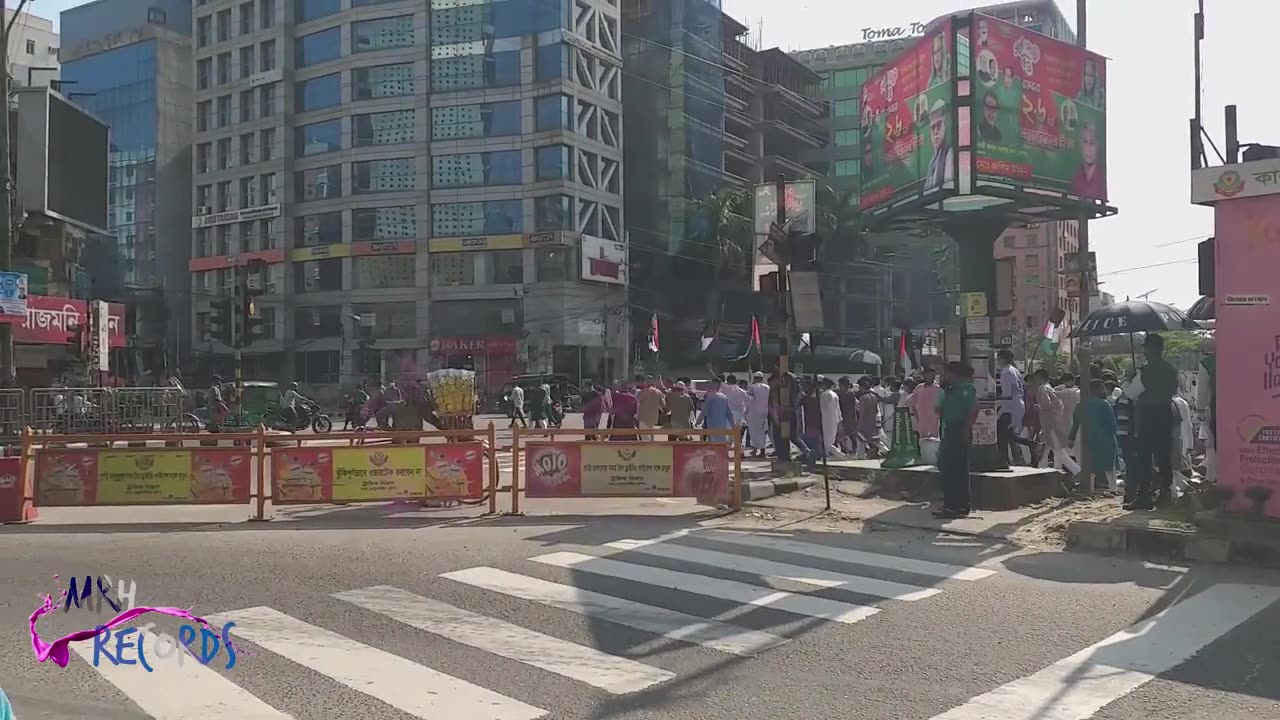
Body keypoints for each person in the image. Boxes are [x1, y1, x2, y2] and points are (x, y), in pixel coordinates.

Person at [1126, 333, 1179, 510]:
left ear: (1150, 349)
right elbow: (1173, 390)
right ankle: (1165, 495)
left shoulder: (1145, 371)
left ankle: (1144, 497)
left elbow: (1131, 394)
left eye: (1145, 348)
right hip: (1166, 412)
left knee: (1144, 457)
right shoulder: (1171, 369)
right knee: (1164, 456)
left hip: (1148, 415)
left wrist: (1130, 379)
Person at [935, 362, 977, 518]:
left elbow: (973, 410)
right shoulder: (950, 391)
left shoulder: (966, 388)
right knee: (949, 467)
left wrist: (966, 431)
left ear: (953, 374)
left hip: (959, 429)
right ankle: (954, 505)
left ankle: (955, 506)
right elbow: (939, 410)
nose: (944, 377)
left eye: (946, 374)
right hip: (950, 428)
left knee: (955, 469)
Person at [1069, 379, 1119, 496]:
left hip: (1087, 439)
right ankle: (1113, 489)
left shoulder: (1080, 405)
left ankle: (1089, 489)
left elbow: (1075, 425)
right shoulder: (1105, 404)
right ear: (1097, 389)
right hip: (1106, 438)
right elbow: (1112, 424)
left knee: (1090, 467)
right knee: (1109, 466)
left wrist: (1071, 439)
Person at [1034, 369, 1080, 476]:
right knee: (1054, 449)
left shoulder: (1042, 388)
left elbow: (1046, 404)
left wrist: (1038, 407)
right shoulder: (1049, 387)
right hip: (1055, 421)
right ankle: (1055, 471)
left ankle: (1077, 471)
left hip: (1049, 423)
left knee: (1058, 450)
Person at [995, 350, 1032, 466]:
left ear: (1003, 359)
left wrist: (997, 404)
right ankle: (1024, 453)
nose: (997, 361)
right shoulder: (1014, 370)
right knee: (1010, 435)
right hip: (1017, 405)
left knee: (1002, 435)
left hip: (1009, 408)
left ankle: (1004, 460)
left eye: (998, 358)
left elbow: (1007, 393)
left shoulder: (1006, 372)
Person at [923, 99, 955, 195]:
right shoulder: (932, 162)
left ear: (945, 126)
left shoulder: (949, 154)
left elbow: (948, 184)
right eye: (933, 128)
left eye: (939, 126)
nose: (936, 131)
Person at [1071, 120, 1105, 200]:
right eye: (1085, 142)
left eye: (1092, 143)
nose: (1088, 148)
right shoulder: (1076, 177)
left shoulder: (1102, 179)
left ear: (1097, 146)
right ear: (1080, 145)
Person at [698, 379, 735, 444]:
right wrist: (732, 423)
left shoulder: (710, 396)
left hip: (712, 424)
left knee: (713, 442)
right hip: (722, 424)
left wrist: (698, 420)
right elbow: (728, 412)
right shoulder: (724, 397)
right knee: (721, 442)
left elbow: (705, 410)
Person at [746, 372, 771, 457]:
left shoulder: (752, 387)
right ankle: (759, 450)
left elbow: (749, 399)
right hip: (765, 411)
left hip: (754, 412)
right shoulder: (767, 387)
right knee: (762, 431)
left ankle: (757, 450)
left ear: (755, 378)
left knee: (754, 432)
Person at [855, 377, 881, 459]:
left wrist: (859, 424)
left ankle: (861, 454)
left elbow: (862, 412)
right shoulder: (874, 396)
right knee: (874, 439)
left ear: (862, 387)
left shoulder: (863, 398)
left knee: (860, 438)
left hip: (865, 422)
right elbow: (876, 410)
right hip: (873, 421)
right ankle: (883, 450)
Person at [818, 377, 844, 458]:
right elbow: (838, 409)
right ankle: (828, 455)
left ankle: (841, 455)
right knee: (829, 441)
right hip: (834, 420)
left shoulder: (824, 395)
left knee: (826, 443)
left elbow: (821, 408)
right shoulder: (835, 394)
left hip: (826, 420)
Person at [722, 374, 749, 441]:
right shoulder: (742, 391)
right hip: (739, 413)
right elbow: (748, 401)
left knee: (728, 432)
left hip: (729, 413)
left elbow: (718, 381)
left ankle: (727, 448)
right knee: (735, 432)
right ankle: (732, 447)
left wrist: (711, 372)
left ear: (728, 381)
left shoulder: (727, 388)